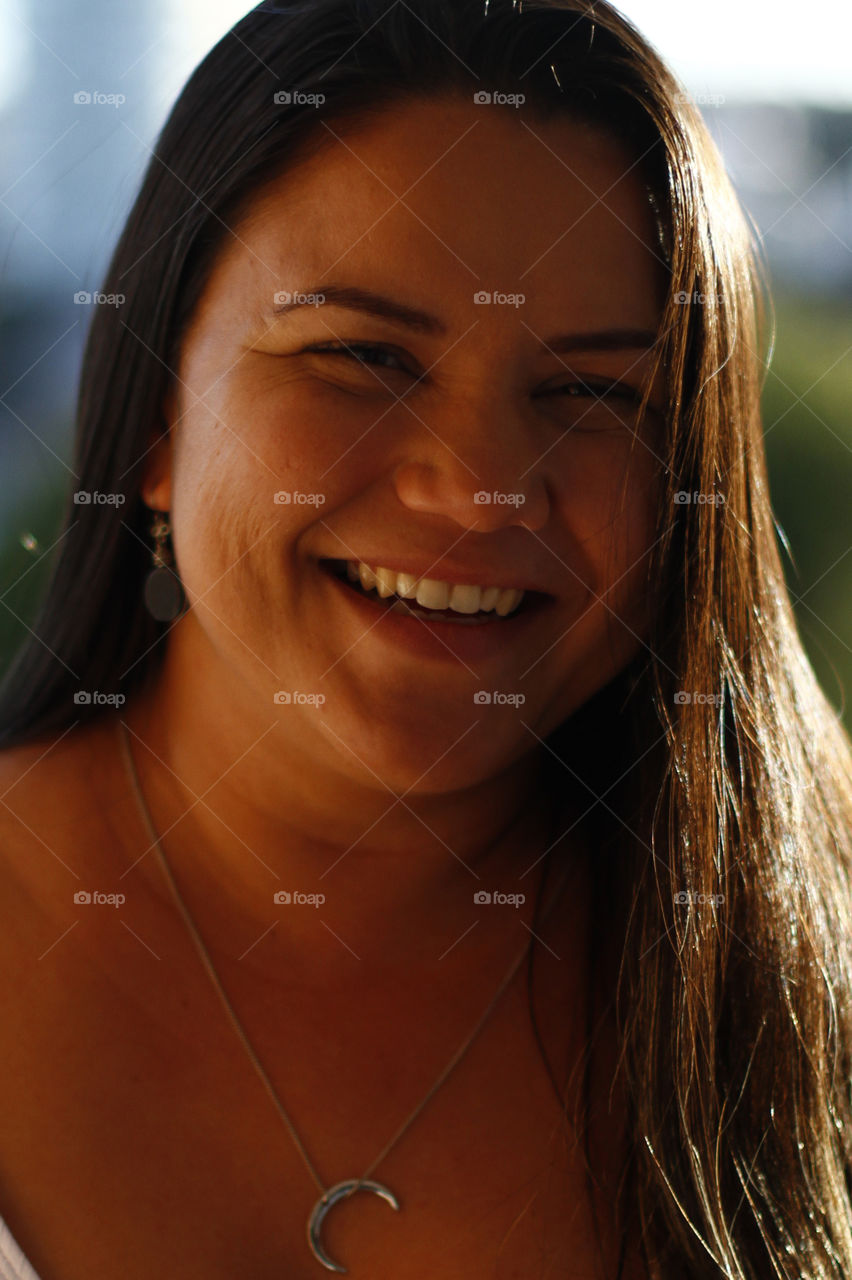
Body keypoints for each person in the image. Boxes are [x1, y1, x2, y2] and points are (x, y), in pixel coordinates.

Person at [0, 0, 850, 1276]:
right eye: (363, 356)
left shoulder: (814, 971)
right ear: (154, 425)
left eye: (591, 391)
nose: (483, 487)